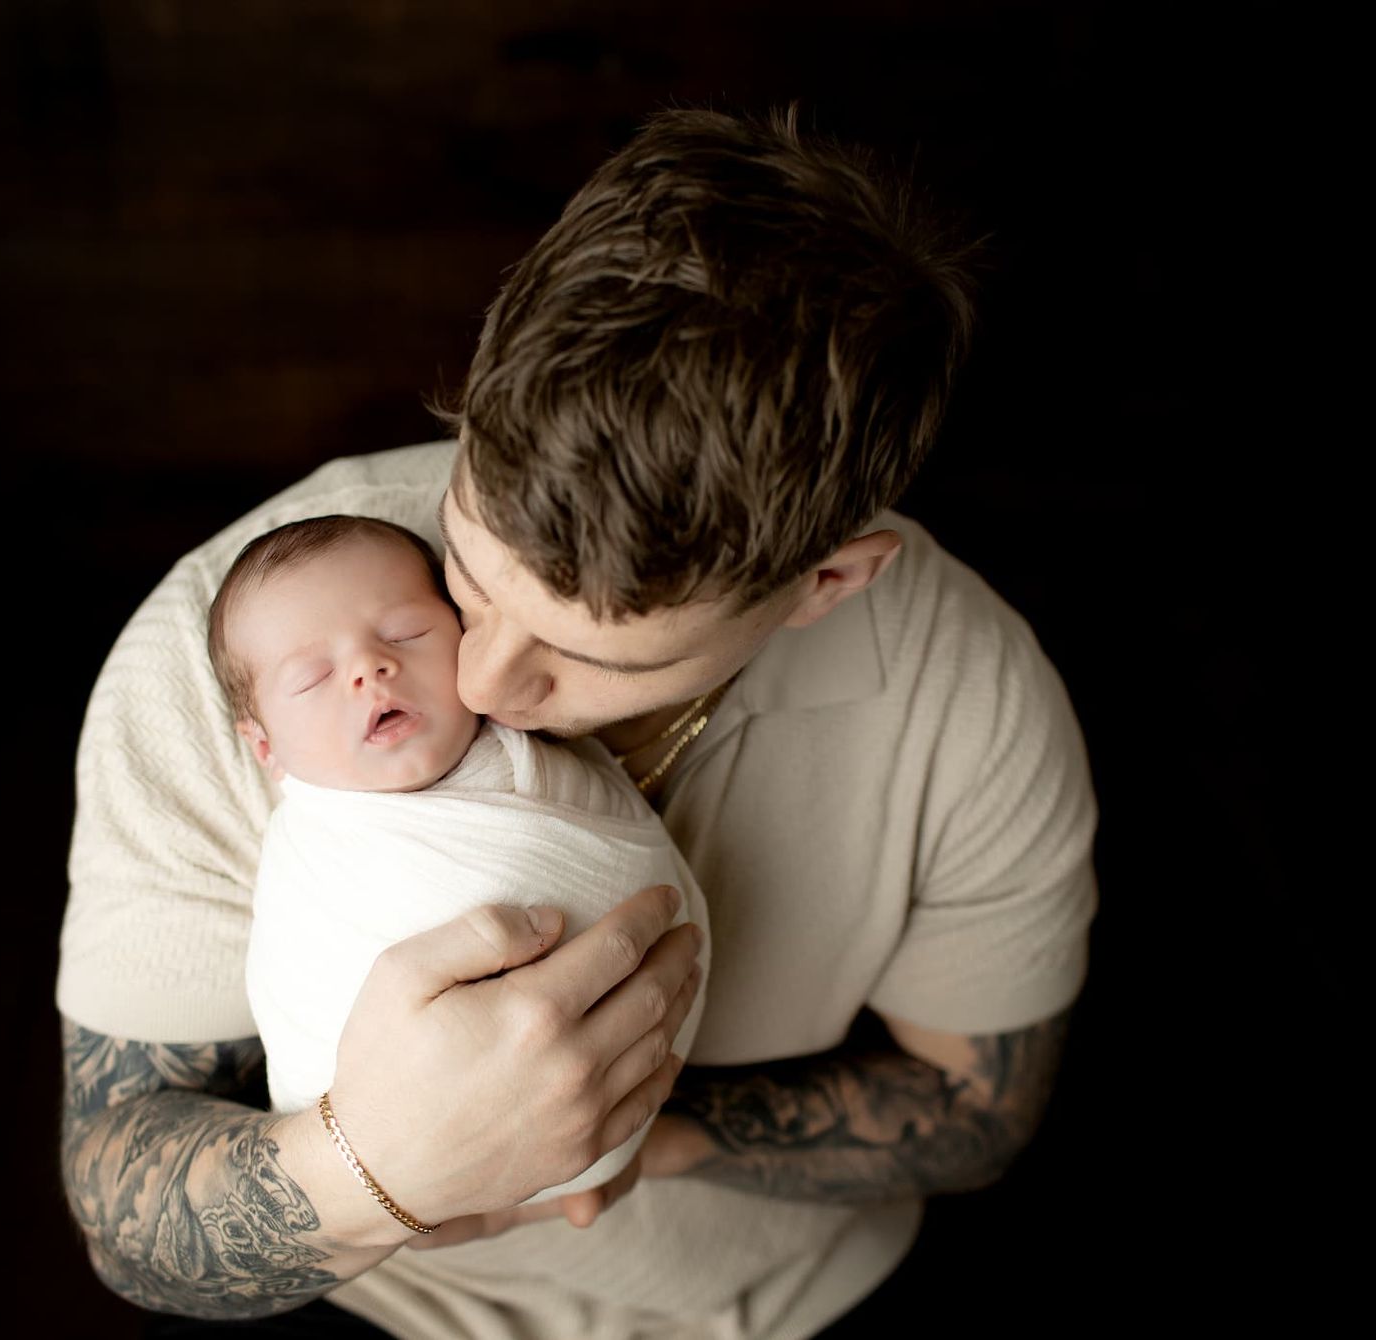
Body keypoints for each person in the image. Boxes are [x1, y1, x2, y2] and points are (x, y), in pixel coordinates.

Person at [57, 106, 1097, 1340]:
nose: (484, 681)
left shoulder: (965, 690)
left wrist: (623, 1133)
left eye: (586, 654)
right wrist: (373, 1167)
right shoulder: (245, 652)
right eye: (474, 575)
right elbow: (123, 1211)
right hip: (393, 1301)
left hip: (798, 1297)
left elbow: (978, 1108)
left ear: (828, 581)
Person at [205, 512, 710, 1206]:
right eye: (314, 676)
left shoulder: (527, 738)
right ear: (264, 747)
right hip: (400, 1171)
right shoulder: (320, 859)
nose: (368, 668)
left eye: (406, 634)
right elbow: (310, 1016)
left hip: (632, 1082)